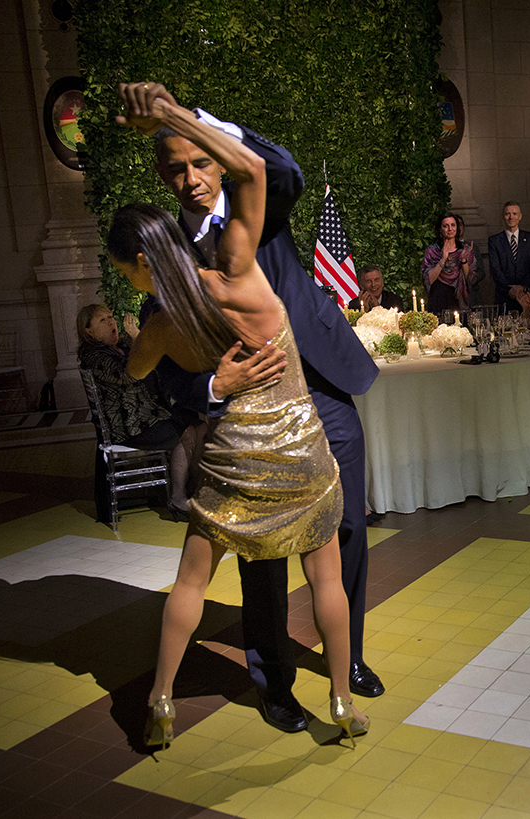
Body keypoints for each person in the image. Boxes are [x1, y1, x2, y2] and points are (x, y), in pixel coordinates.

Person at [111, 83, 368, 747]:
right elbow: (168, 382)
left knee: (346, 534)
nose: (191, 177)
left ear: (214, 155)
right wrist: (213, 384)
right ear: (162, 175)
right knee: (268, 568)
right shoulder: (197, 254)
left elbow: (276, 167)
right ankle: (278, 682)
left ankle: (348, 662)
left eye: (199, 160)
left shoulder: (246, 216)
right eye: (174, 167)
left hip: (321, 395)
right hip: (255, 428)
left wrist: (179, 115)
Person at [76, 303, 201, 520]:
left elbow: (155, 361)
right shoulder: (96, 357)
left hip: (146, 415)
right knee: (188, 431)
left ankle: (190, 489)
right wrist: (137, 337)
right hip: (132, 426)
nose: (111, 322)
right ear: (89, 331)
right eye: (102, 320)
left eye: (111, 316)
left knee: (196, 423)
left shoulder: (118, 347)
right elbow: (131, 374)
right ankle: (179, 497)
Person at [487, 201, 530, 314]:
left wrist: (521, 287)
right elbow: (495, 269)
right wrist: (511, 290)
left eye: (514, 214)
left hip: (528, 296)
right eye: (508, 214)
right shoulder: (494, 241)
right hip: (504, 297)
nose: (511, 217)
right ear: (503, 216)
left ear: (520, 216)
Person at [422, 213, 476, 314]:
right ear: (440, 229)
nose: (450, 229)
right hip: (438, 299)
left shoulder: (464, 250)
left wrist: (464, 260)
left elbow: (470, 279)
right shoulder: (432, 251)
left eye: (453, 225)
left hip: (458, 301)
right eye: (445, 226)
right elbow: (428, 280)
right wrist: (443, 259)